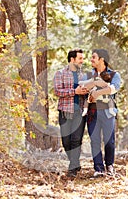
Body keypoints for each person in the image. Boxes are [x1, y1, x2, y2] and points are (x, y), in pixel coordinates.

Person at [86, 49, 121, 177]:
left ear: (102, 59)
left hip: (108, 112)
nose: (91, 59)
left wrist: (98, 92)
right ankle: (98, 169)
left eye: (94, 57)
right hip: (92, 112)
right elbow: (84, 88)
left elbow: (113, 89)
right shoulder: (89, 75)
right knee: (94, 140)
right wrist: (90, 94)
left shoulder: (114, 74)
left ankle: (110, 166)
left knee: (109, 141)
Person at [53, 49, 88, 177]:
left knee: (76, 140)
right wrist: (75, 92)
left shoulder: (84, 76)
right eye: (80, 58)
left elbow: (87, 92)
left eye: (82, 59)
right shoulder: (60, 74)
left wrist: (87, 92)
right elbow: (57, 92)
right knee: (66, 141)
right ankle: (75, 162)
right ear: (72, 59)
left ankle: (73, 167)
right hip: (65, 112)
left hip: (79, 112)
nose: (82, 61)